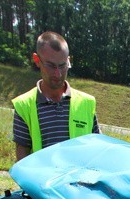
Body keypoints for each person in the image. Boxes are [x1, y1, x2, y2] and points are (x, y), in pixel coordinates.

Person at [12, 32, 99, 161]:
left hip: (80, 181)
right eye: (50, 66)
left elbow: (97, 149)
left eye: (63, 66)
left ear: (68, 60)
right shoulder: (24, 105)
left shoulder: (87, 103)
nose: (58, 74)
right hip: (42, 181)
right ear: (37, 60)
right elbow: (22, 157)